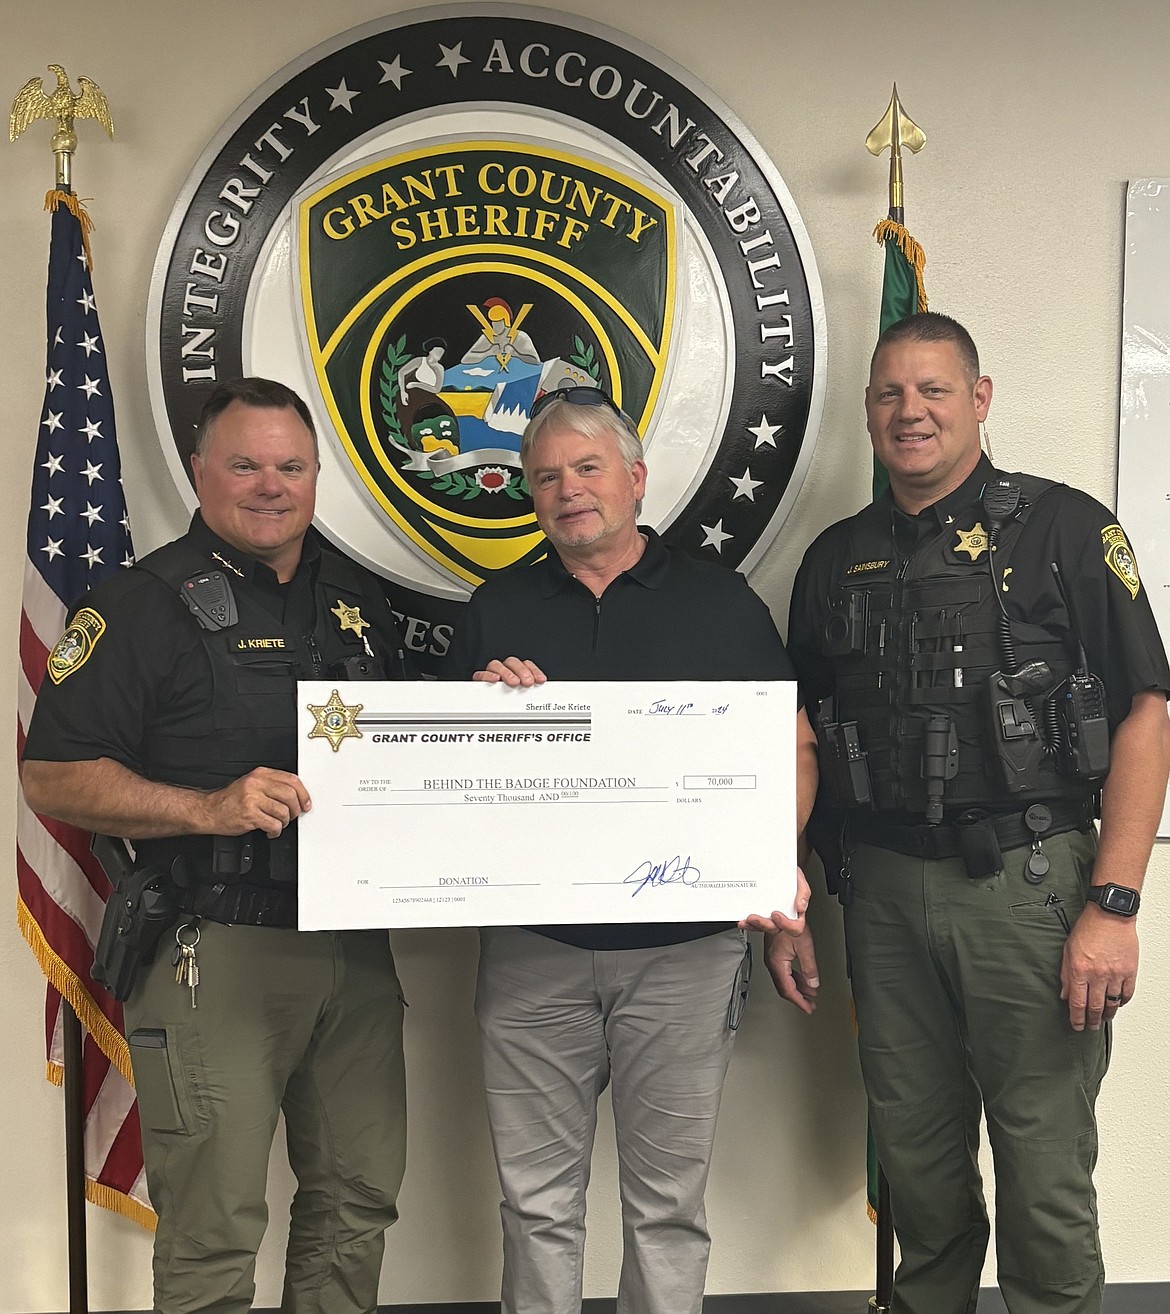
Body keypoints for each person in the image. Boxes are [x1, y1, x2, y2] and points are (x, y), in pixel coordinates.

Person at [786, 313, 1170, 1314]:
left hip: (1029, 888)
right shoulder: (835, 559)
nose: (909, 412)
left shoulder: (1066, 529)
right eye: (887, 394)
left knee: (1042, 1171)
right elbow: (802, 735)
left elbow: (1145, 709)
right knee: (917, 1165)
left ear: (980, 399)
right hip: (881, 893)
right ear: (868, 412)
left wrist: (1116, 903)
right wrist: (774, 872)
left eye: (933, 390)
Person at [21, 378, 411, 1314]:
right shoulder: (139, 605)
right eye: (244, 464)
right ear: (200, 472)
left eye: (290, 466)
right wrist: (208, 808)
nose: (270, 485)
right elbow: (53, 776)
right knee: (214, 1232)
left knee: (358, 1203)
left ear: (318, 476)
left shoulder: (359, 603)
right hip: (215, 947)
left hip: (354, 947)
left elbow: (415, 746)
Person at [446, 385, 819, 1314]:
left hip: (686, 955)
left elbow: (793, 747)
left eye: (587, 468)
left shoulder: (720, 603)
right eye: (545, 478)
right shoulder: (493, 611)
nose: (569, 491)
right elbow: (444, 783)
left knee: (667, 1207)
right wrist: (483, 713)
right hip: (535, 954)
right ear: (527, 498)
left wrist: (772, 870)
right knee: (536, 1206)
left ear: (636, 479)